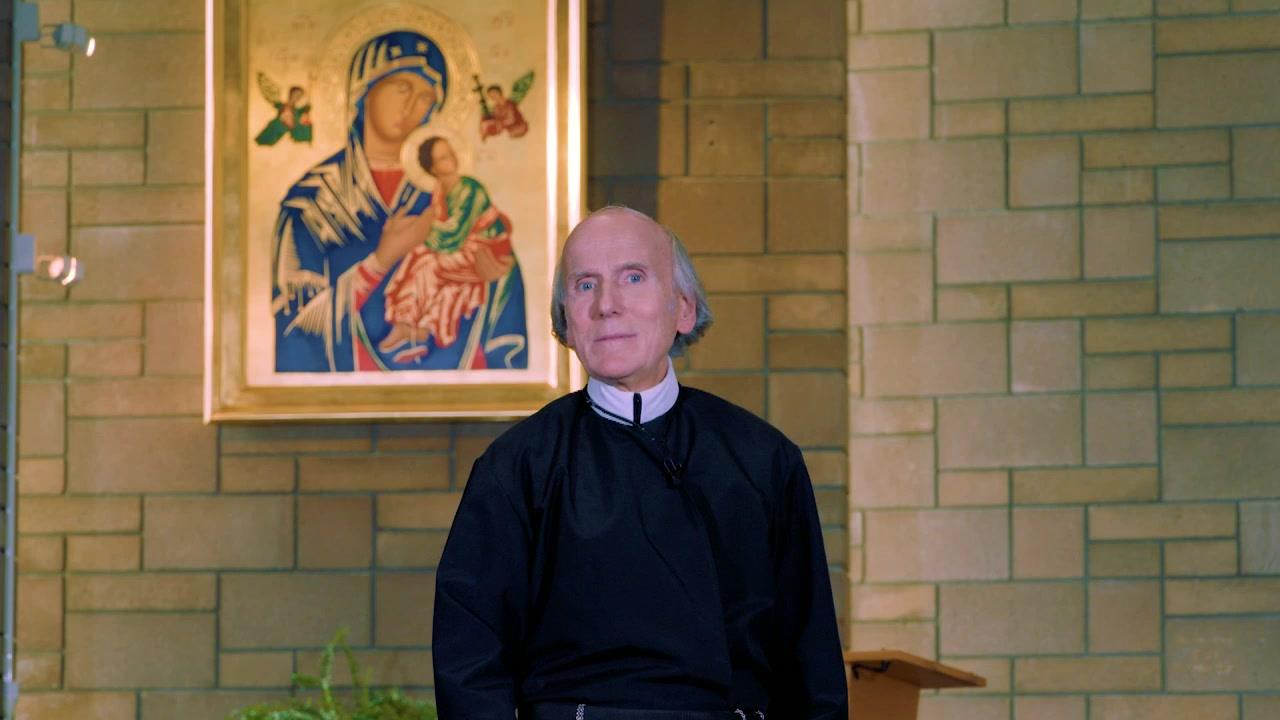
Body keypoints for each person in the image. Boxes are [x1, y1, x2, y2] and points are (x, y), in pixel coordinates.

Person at [433, 206, 848, 719]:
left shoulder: (762, 459)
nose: (606, 305)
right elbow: (470, 663)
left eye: (633, 277)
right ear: (566, 322)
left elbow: (811, 665)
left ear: (684, 309)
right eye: (585, 285)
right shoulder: (517, 467)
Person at [270, 30, 527, 372]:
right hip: (347, 379)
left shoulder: (448, 191)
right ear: (364, 89)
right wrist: (380, 261)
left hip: (452, 370)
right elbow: (294, 325)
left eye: (425, 97)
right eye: (403, 87)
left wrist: (491, 274)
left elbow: (499, 265)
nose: (412, 106)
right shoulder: (313, 202)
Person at [378, 136, 525, 367]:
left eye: (450, 153)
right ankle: (407, 324)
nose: (452, 159)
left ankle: (414, 324)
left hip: (484, 249)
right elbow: (436, 228)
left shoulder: (469, 188)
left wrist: (420, 229)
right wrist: (413, 228)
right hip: (461, 249)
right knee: (418, 257)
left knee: (428, 264)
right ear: (433, 168)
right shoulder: (440, 191)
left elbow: (454, 233)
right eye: (443, 157)